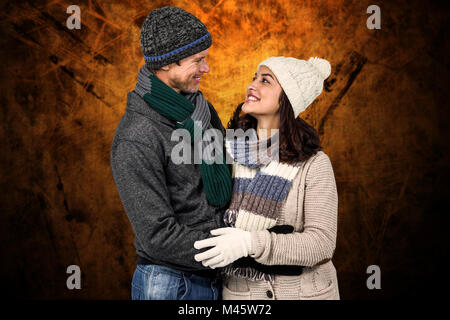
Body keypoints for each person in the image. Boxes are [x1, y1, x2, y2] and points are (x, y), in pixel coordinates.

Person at [110, 6, 231, 300]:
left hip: (215, 276)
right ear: (165, 65)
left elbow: (226, 178)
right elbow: (157, 237)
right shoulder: (137, 137)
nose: (207, 69)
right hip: (170, 285)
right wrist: (231, 251)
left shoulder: (199, 110)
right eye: (197, 60)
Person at [194, 56, 340, 300]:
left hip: (305, 294)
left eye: (265, 81)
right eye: (253, 78)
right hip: (242, 296)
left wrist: (250, 244)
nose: (252, 85)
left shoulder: (314, 165)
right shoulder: (227, 154)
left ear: (288, 98)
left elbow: (321, 244)